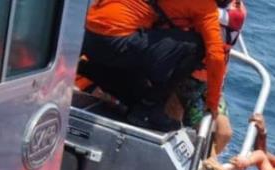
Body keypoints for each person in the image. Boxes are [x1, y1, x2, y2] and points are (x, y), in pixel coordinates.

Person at [81, 0, 225, 132]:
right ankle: (148, 111)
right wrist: (212, 101)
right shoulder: (206, 6)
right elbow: (216, 56)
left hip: (88, 35)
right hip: (115, 42)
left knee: (139, 94)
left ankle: (87, 68)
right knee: (196, 46)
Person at [176, 0, 246, 154]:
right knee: (178, 119)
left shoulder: (236, 13)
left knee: (224, 133)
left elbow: (196, 9)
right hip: (185, 75)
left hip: (212, 80)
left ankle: (204, 163)